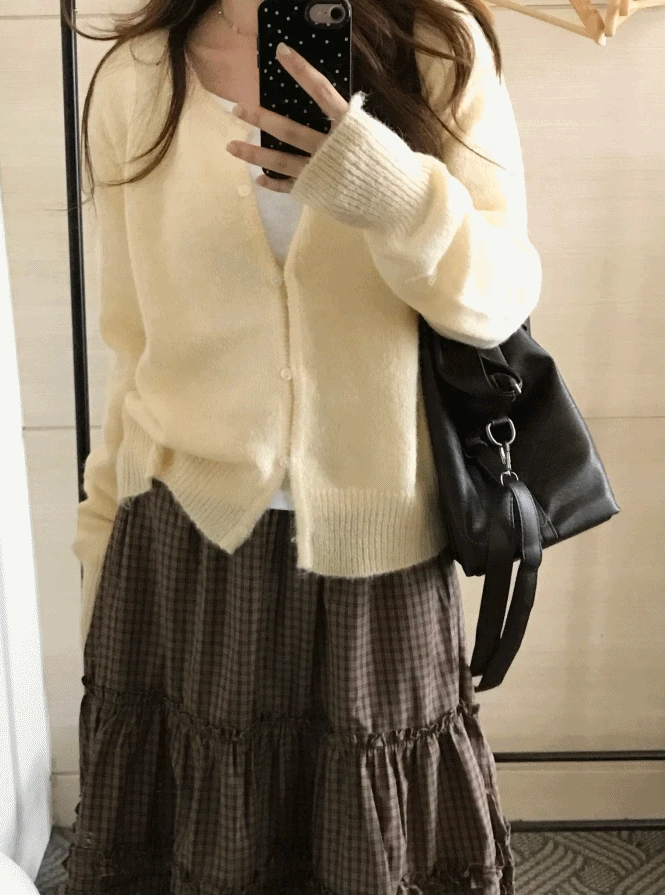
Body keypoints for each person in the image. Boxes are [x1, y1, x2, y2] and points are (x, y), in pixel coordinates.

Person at [62, 0, 541, 892]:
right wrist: (99, 552)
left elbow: (500, 300)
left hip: (376, 558)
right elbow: (130, 346)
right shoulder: (141, 77)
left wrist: (390, 191)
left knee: (374, 856)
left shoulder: (436, 49)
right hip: (186, 550)